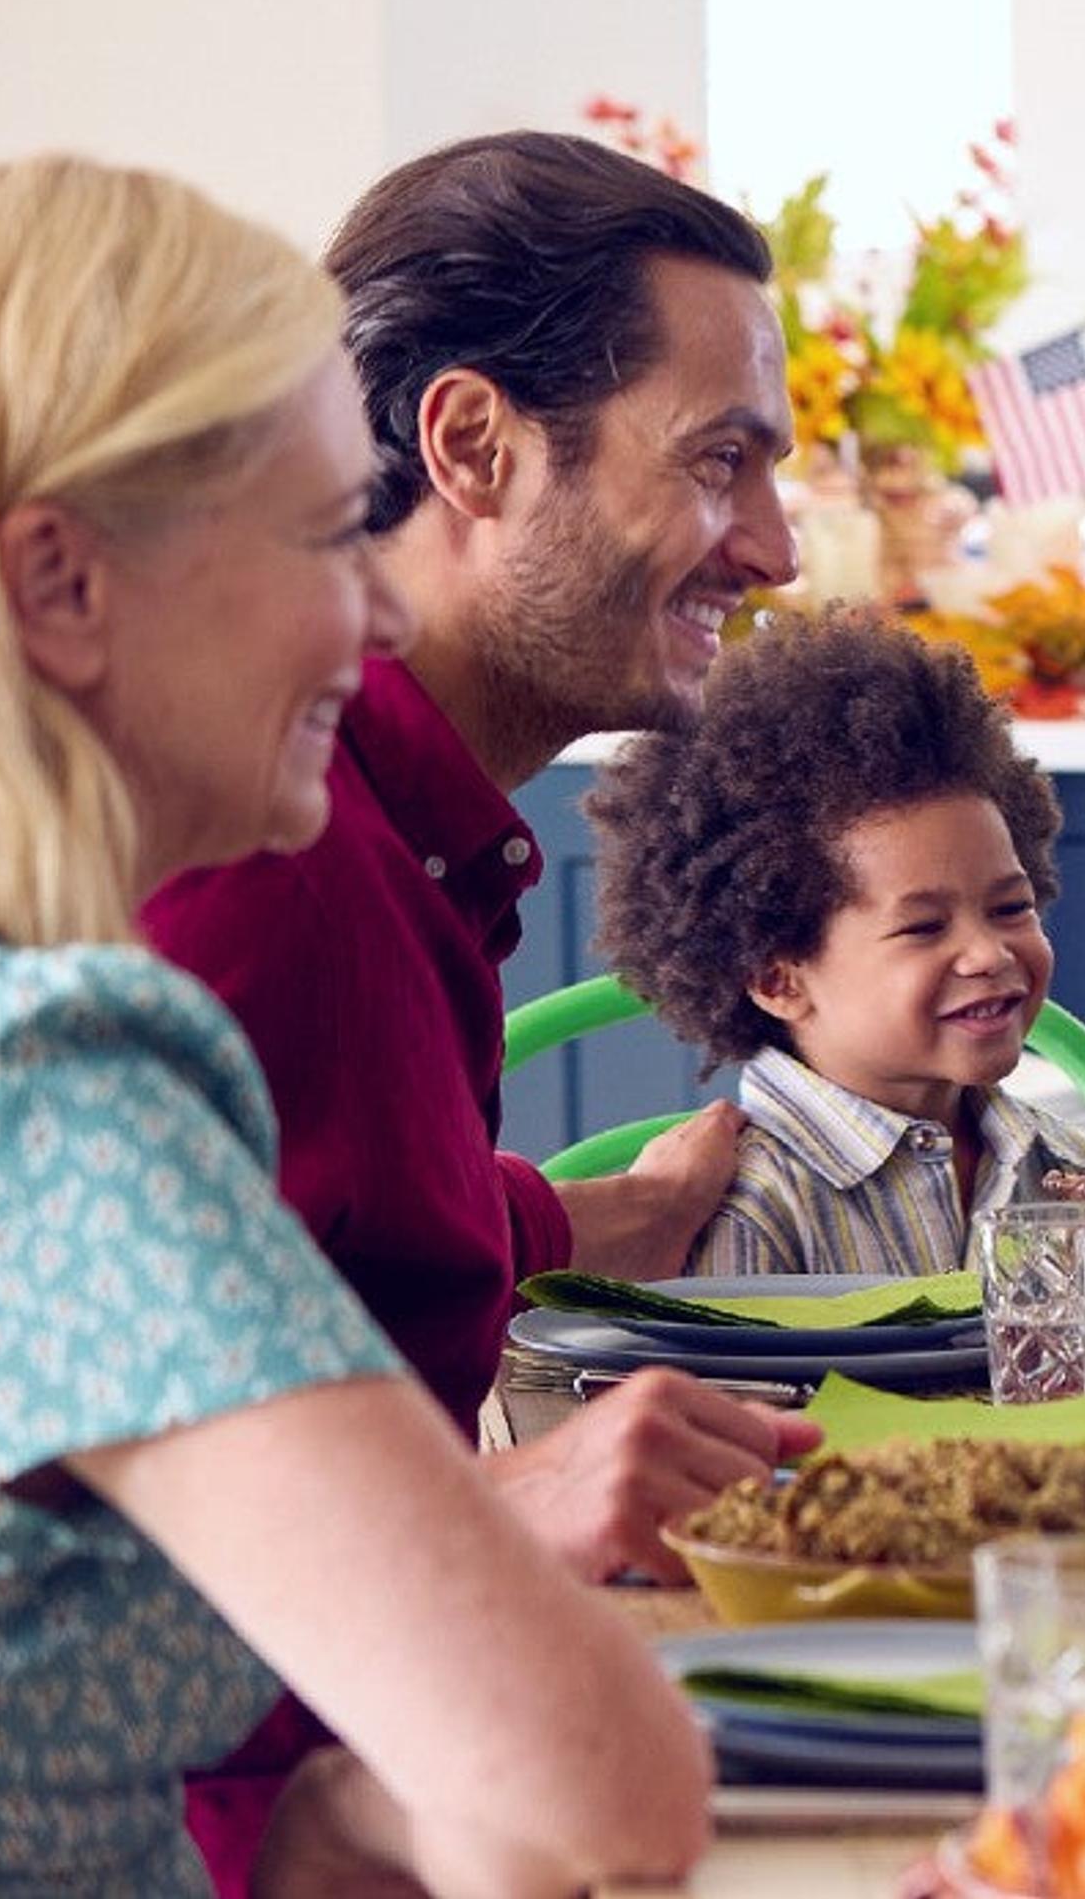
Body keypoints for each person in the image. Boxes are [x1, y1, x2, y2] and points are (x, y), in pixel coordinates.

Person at [0, 157, 706, 1895]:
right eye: (322, 530)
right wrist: (370, 1797)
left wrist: (337, 1810)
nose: (376, 610)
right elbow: (593, 1780)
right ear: (59, 583)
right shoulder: (22, 1084)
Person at [140, 128, 821, 1887]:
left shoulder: (403, 832)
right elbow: (75, 1524)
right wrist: (504, 1506)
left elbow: (289, 1253)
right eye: (722, 461)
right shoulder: (270, 854)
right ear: (471, 444)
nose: (779, 543)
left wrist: (579, 1215)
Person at [587, 609, 1085, 1275]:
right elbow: (731, 1386)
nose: (990, 953)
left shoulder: (1069, 1166)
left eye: (1010, 906)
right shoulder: (749, 1205)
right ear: (779, 979)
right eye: (924, 926)